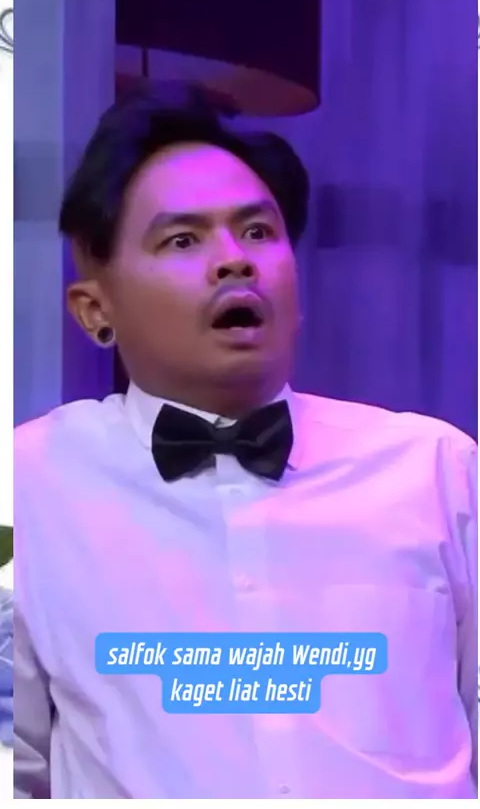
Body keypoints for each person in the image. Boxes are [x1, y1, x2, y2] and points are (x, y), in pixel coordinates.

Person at [14, 83, 477, 800]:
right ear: (95, 309)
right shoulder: (32, 483)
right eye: (183, 240)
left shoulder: (436, 468)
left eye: (258, 232)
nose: (235, 261)